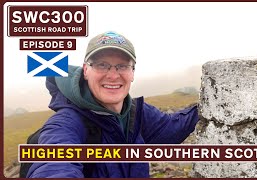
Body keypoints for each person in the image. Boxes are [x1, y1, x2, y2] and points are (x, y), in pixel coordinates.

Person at [26, 31, 199, 178]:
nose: (113, 75)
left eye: (122, 66)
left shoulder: (136, 113)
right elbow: (54, 164)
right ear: (86, 70)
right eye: (102, 65)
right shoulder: (67, 123)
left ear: (132, 73)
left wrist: (208, 107)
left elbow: (172, 128)